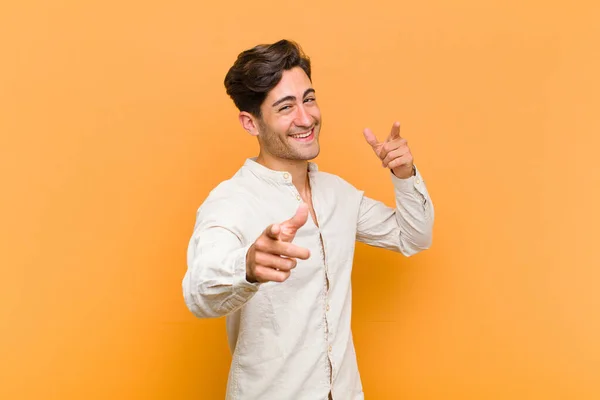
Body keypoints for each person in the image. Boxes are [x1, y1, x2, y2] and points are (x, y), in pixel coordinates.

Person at [182, 39, 434, 400]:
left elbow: (413, 236)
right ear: (250, 123)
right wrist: (247, 266)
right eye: (285, 107)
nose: (306, 118)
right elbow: (198, 294)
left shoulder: (338, 194)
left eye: (309, 99)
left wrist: (404, 173)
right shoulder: (231, 201)